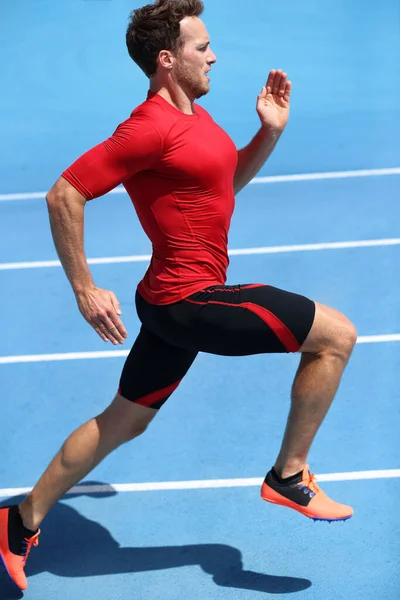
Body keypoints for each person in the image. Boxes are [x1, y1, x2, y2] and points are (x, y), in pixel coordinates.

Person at [0, 0, 357, 591]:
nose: (214, 55)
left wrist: (267, 134)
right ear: (168, 60)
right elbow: (64, 194)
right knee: (336, 337)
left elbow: (223, 186)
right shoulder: (148, 127)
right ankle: (289, 476)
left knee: (122, 423)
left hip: (168, 299)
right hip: (189, 301)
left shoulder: (198, 119)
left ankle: (18, 520)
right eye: (202, 47)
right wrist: (85, 289)